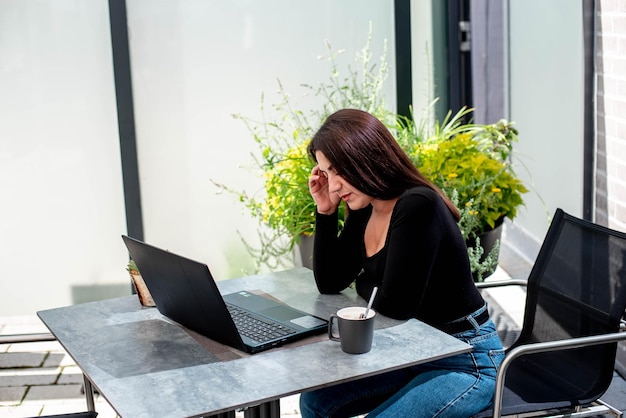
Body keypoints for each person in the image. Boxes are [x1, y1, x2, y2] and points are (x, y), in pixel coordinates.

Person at [299, 108, 504, 418]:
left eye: (338, 171)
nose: (334, 185)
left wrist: (365, 284)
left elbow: (395, 305)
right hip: (414, 354)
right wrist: (326, 212)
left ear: (365, 157)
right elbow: (330, 282)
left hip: (467, 359)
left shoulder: (417, 205)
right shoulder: (365, 207)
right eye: (326, 174)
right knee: (315, 403)